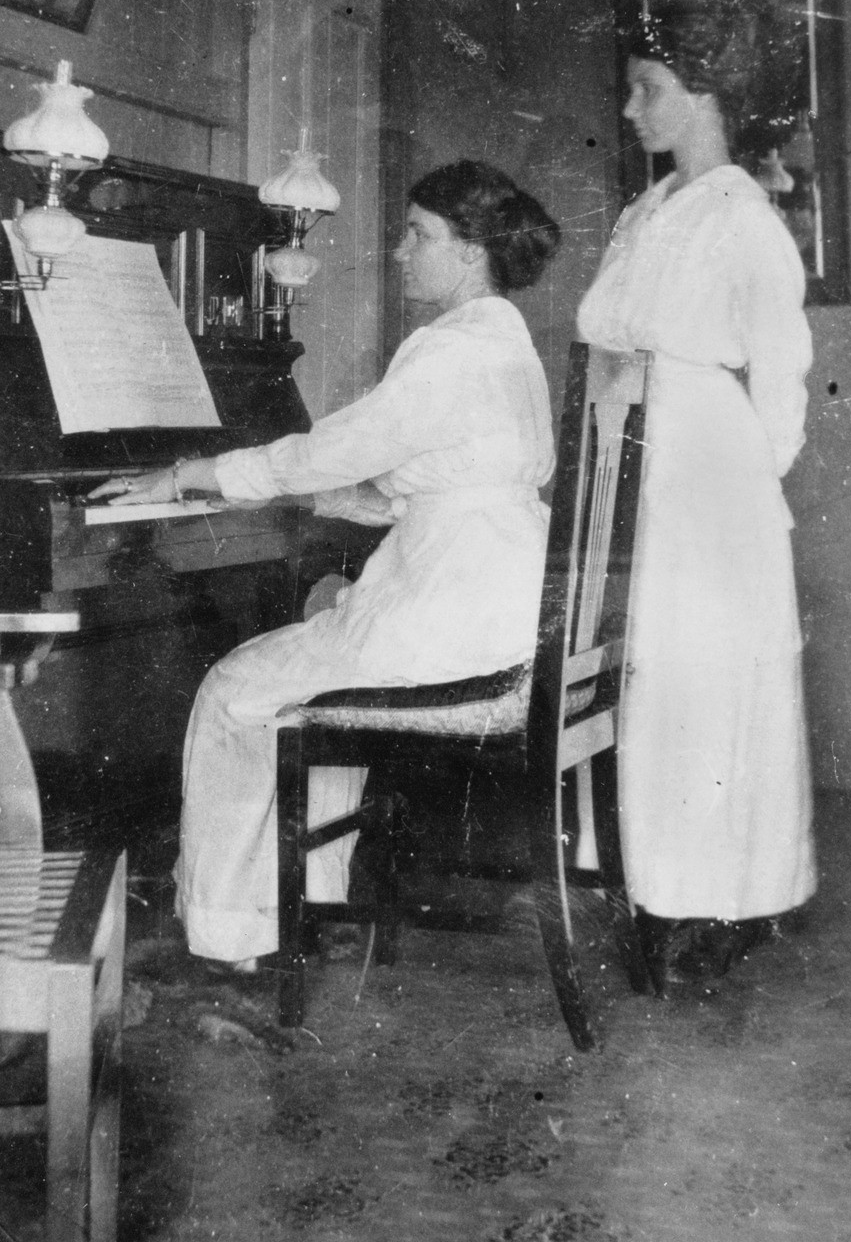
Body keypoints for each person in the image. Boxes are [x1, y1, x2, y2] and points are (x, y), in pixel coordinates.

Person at [90, 161, 560, 968]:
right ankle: (313, 895)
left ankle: (229, 933)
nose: (402, 251)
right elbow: (439, 481)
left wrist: (191, 474)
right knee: (309, 661)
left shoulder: (449, 349)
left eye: (420, 235)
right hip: (503, 603)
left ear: (472, 250)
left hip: (449, 615)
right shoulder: (505, 341)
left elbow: (327, 450)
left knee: (237, 688)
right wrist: (319, 500)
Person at [576, 0, 816, 996]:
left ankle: (731, 899)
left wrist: (736, 497)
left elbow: (781, 381)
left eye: (648, 88)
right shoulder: (645, 212)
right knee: (652, 687)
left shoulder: (743, 217)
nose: (630, 108)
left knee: (712, 688)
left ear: (705, 94)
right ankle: (660, 891)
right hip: (630, 466)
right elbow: (604, 343)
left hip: (707, 483)